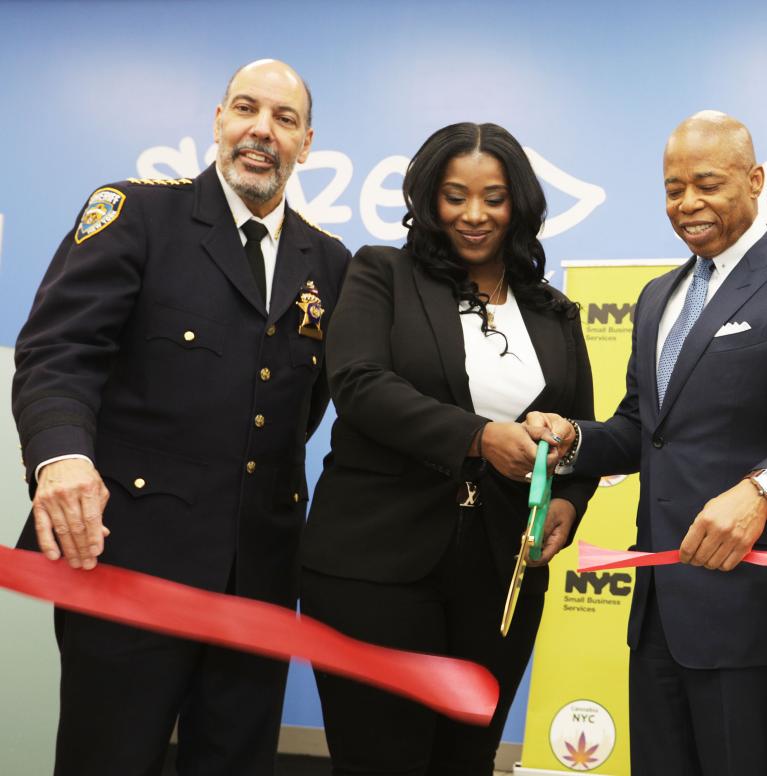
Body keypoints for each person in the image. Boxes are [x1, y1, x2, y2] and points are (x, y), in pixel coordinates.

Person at [12, 59, 351, 775]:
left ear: (307, 143)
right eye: (246, 110)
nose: (262, 131)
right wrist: (62, 455)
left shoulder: (330, 263)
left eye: (284, 120)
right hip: (130, 567)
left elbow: (308, 407)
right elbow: (59, 351)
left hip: (257, 581)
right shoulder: (137, 213)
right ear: (218, 120)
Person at [529, 111, 767, 775]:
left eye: (707, 184)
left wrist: (761, 493)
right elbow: (639, 430)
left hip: (745, 604)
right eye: (673, 187)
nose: (687, 203)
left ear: (756, 180)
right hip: (656, 603)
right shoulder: (658, 296)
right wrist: (572, 440)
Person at [299, 121, 597, 776]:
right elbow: (360, 385)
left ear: (519, 203)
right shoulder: (381, 272)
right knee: (382, 759)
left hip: (500, 574)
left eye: (493, 197)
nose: (474, 214)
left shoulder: (555, 311)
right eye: (455, 195)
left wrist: (568, 505)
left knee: (467, 760)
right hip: (373, 565)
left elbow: (581, 432)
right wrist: (478, 437)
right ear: (428, 199)